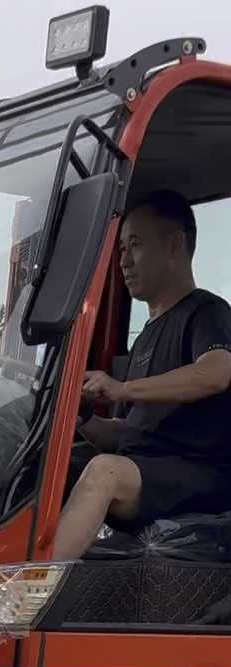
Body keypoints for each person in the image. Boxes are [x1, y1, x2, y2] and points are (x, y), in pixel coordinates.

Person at [53, 190, 231, 560]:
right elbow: (131, 432)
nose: (123, 262)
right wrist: (79, 414)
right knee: (48, 470)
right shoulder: (146, 336)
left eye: (134, 245)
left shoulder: (207, 312)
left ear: (173, 244)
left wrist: (121, 388)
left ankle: (25, 594)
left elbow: (216, 373)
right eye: (120, 250)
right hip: (150, 472)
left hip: (198, 474)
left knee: (104, 474)